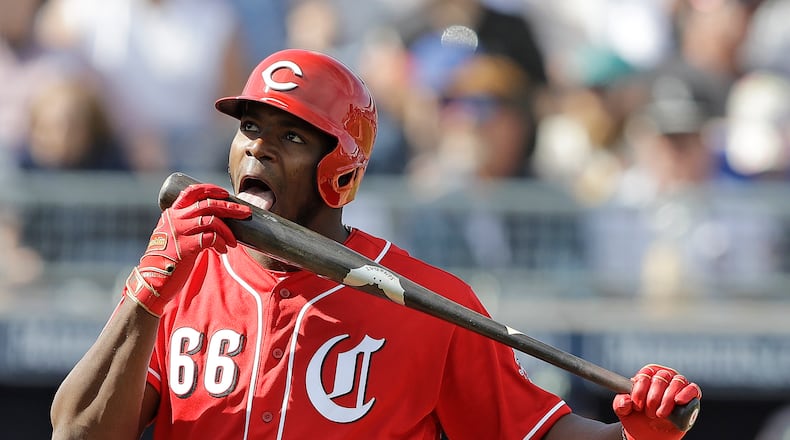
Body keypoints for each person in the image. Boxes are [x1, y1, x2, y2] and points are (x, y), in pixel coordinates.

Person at [50, 48, 701, 440]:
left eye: (293, 136)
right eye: (250, 126)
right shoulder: (185, 277)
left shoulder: (428, 304)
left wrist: (633, 435)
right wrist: (144, 296)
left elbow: (538, 433)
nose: (258, 146)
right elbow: (75, 430)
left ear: (342, 170)